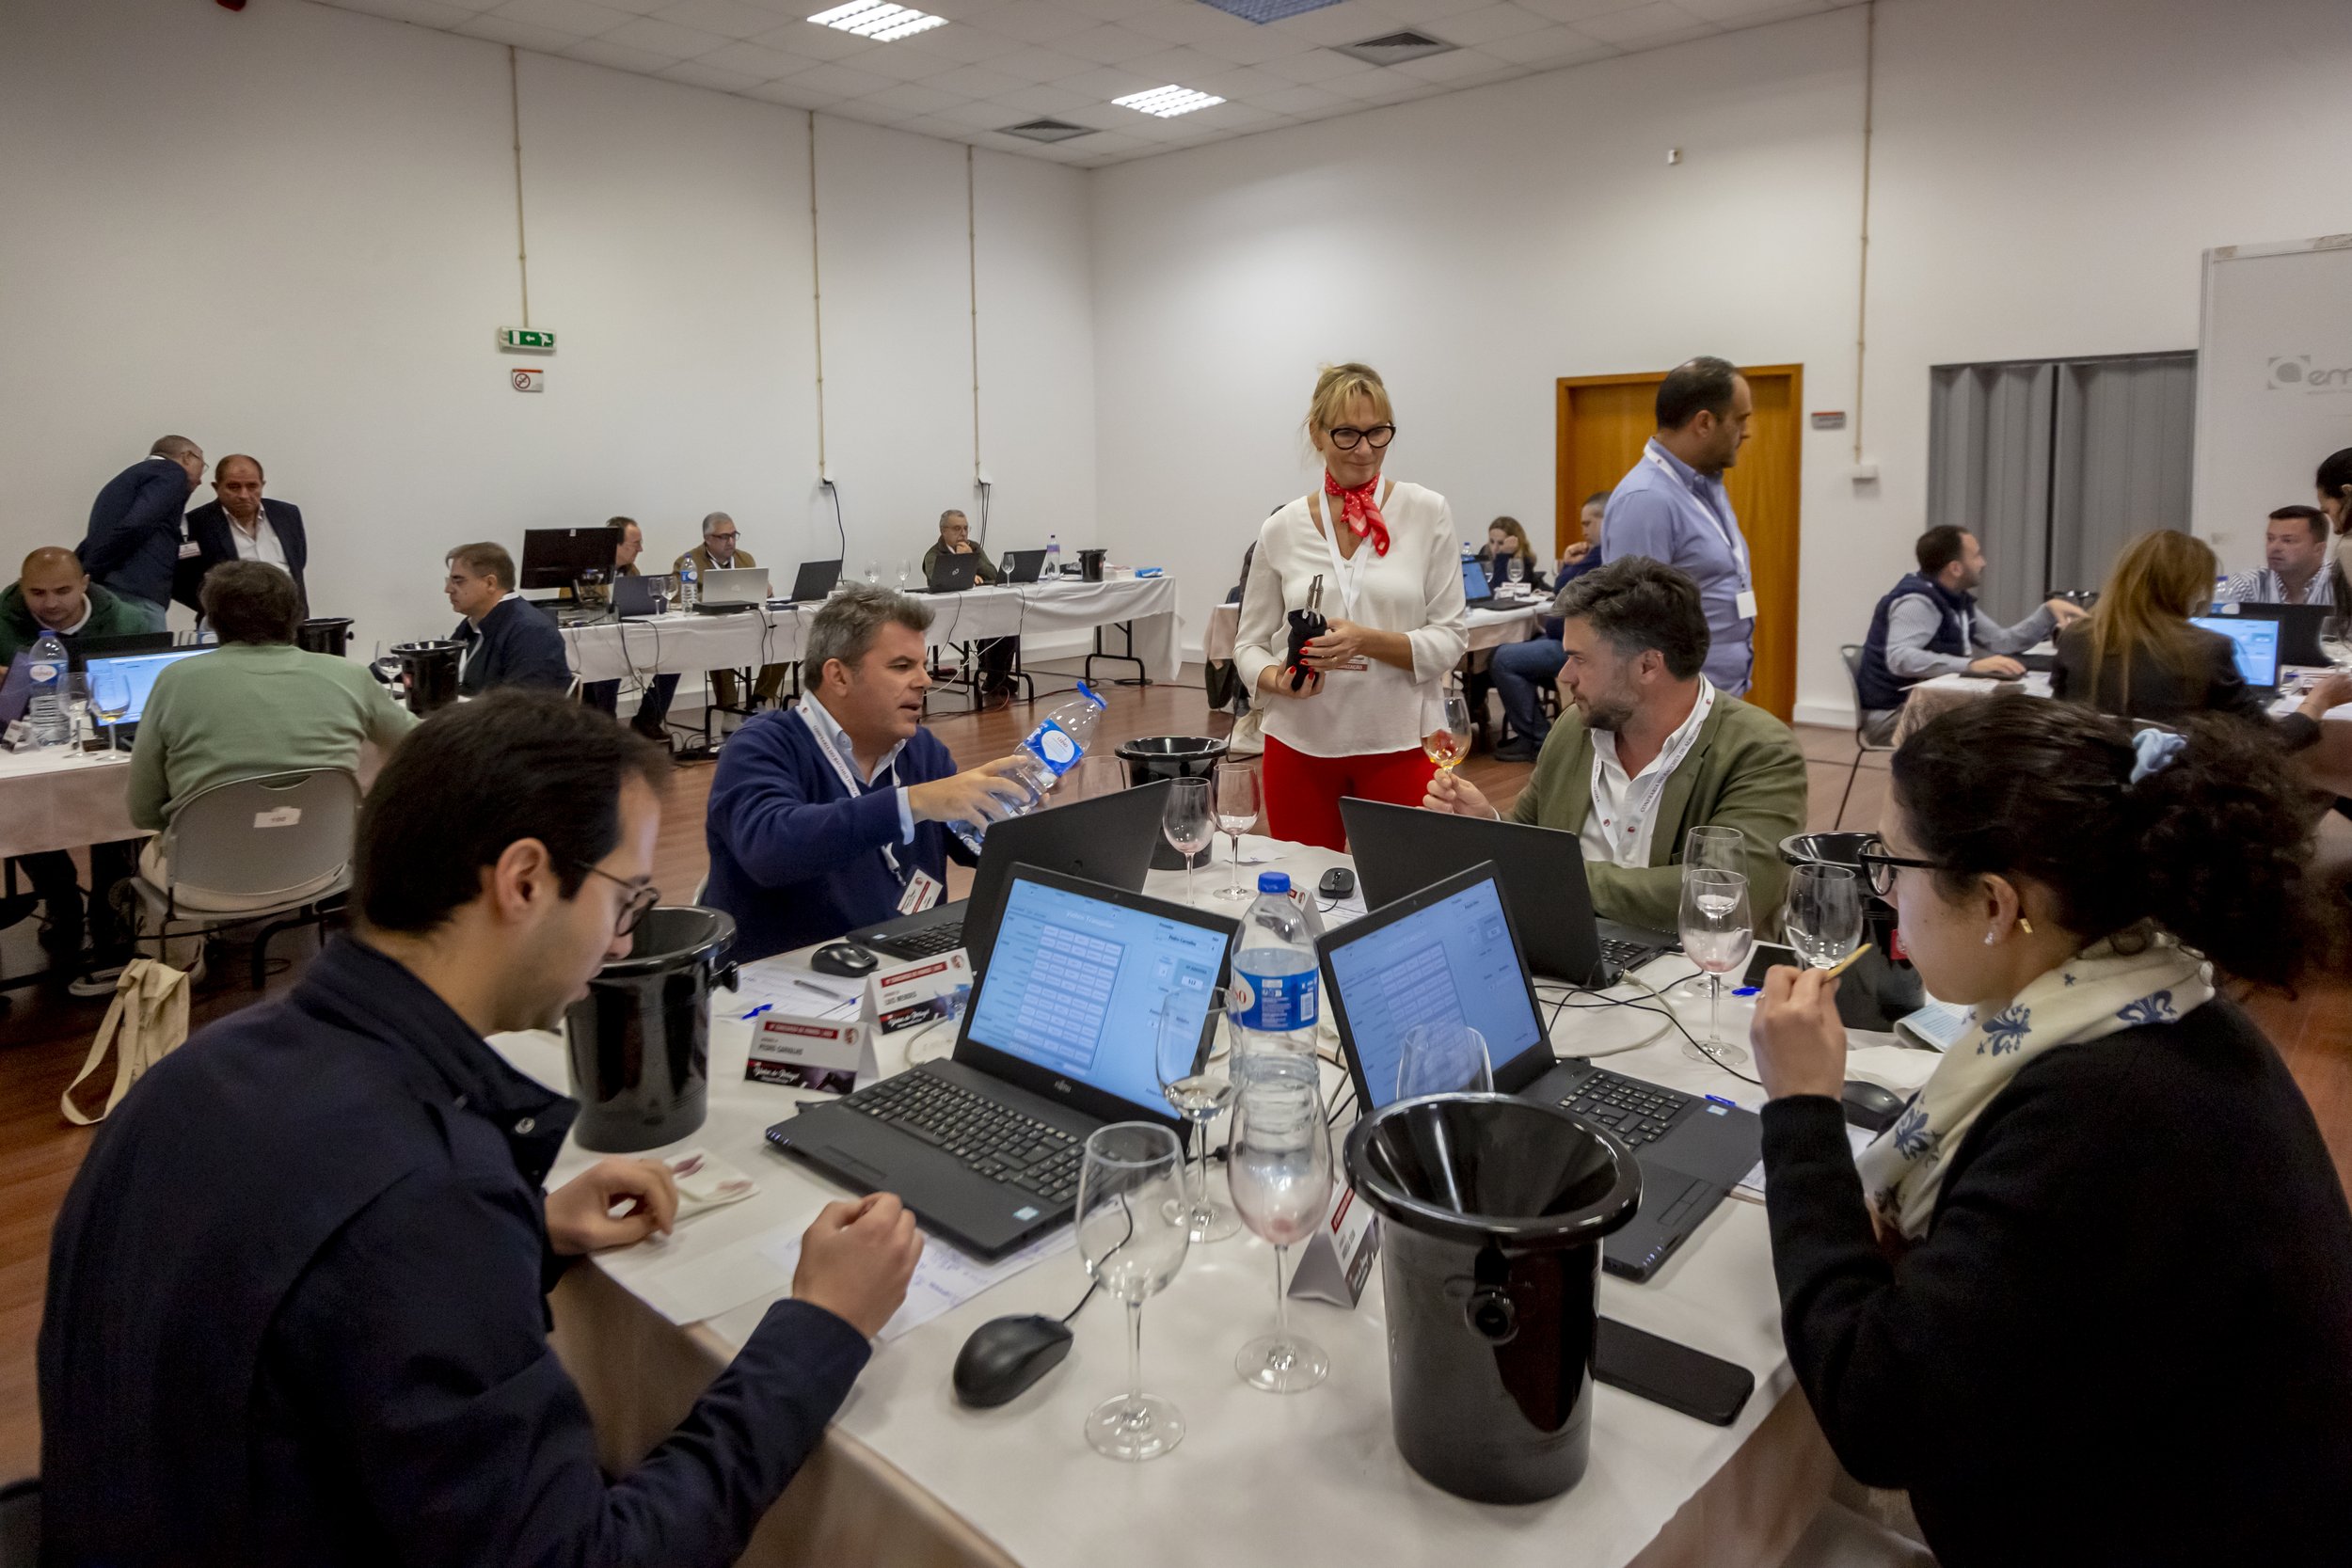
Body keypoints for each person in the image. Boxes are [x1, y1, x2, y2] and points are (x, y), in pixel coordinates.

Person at [40, 691, 925, 1566]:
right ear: (525, 880)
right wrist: (820, 1327)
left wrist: (525, 1230)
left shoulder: (196, 1076)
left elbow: (304, 1309)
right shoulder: (423, 1195)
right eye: (626, 899)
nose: (622, 942)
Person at [1746, 699, 2352, 1565]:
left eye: (1894, 863)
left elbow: (1876, 1414)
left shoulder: (2106, 1115)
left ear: (1996, 902)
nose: (1883, 892)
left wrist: (1802, 1111)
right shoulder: (2157, 1004)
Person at [1423, 558, 1805, 935]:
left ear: (1647, 666)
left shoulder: (1759, 750)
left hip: (1697, 974)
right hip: (1570, 961)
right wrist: (1488, 824)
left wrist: (1560, 878)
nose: (1564, 675)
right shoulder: (1575, 729)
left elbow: (1730, 893)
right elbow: (1528, 836)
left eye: (1579, 659)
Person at [705, 584, 1031, 962]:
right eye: (902, 666)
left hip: (907, 967)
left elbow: (984, 849)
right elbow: (769, 848)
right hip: (789, 988)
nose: (924, 680)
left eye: (922, 665)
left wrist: (1020, 807)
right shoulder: (762, 746)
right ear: (839, 677)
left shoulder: (922, 751)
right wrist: (914, 802)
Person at [123, 562, 417, 967]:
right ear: (297, 616)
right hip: (323, 870)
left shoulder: (176, 681)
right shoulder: (350, 676)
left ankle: (176, 975)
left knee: (149, 853)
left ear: (212, 620)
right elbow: (420, 743)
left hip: (200, 882)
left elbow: (142, 809)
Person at [1233, 362, 1469, 850]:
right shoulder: (1282, 527)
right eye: (1346, 434)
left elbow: (1450, 637)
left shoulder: (1427, 512)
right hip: (1299, 743)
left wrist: (1367, 641)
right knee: (1302, 893)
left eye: (1378, 433)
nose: (1365, 450)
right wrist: (1277, 679)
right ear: (1317, 435)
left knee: (1402, 893)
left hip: (1400, 739)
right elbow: (1250, 643)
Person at [1, 547, 154, 991]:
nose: (50, 603)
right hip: (21, 739)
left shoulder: (128, 620)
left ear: (85, 583)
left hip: (106, 733)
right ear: (21, 588)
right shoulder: (0, 620)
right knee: (23, 802)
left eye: (63, 590)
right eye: (37, 592)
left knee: (120, 796)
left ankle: (110, 906)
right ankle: (60, 896)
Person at [2052, 529, 2351, 736]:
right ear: (2190, 588)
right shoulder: (2206, 648)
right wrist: (2319, 701)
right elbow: (2269, 742)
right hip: (2181, 802)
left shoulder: (2075, 637)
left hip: (2091, 792)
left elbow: (2059, 722)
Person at [1598, 357, 1756, 696]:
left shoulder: (1706, 485)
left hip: (1719, 700)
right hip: (1678, 714)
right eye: (1740, 420)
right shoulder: (1646, 499)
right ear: (1704, 423)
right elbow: (1635, 625)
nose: (1747, 431)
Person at [1854, 525, 2087, 744]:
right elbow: (1900, 658)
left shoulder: (1955, 599)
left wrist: (2047, 612)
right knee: (2003, 729)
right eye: (1976, 556)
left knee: (2008, 722)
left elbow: (2002, 642)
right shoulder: (1917, 602)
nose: (1982, 563)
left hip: (1925, 706)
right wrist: (1972, 665)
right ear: (1955, 568)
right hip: (1892, 715)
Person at [1489, 492, 1609, 759]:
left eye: (1588, 523)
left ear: (1606, 520)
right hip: (1561, 640)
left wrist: (1567, 565)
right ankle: (1536, 735)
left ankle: (1537, 741)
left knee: (1503, 659)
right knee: (1508, 651)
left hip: (1574, 647)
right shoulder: (1598, 552)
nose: (1583, 530)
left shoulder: (1603, 553)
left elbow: (1563, 592)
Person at [77, 435, 203, 631]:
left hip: (107, 589)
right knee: (149, 658)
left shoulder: (124, 481)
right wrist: (94, 567)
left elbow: (98, 537)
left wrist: (86, 569)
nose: (201, 480)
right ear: (187, 457)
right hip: (139, 591)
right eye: (202, 464)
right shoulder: (172, 472)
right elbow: (137, 524)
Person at [581, 517, 681, 740]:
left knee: (673, 661)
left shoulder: (631, 571)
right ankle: (606, 732)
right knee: (608, 668)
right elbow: (579, 612)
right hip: (595, 646)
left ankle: (648, 720)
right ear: (614, 545)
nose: (641, 549)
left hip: (629, 639)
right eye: (635, 544)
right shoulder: (584, 572)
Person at [175, 453, 310, 616]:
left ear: (262, 485)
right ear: (216, 487)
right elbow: (181, 583)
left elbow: (297, 563)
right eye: (234, 487)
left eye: (252, 486)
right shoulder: (197, 523)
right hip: (230, 625)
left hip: (289, 621)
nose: (244, 495)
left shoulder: (287, 515)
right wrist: (218, 610)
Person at [681, 511, 786, 709]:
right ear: (707, 539)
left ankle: (759, 699)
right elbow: (679, 600)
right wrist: (712, 598)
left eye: (733, 535)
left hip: (749, 626)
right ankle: (729, 708)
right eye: (723, 537)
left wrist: (767, 591)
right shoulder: (688, 561)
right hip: (713, 630)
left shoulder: (745, 559)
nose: (730, 542)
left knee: (784, 637)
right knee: (719, 640)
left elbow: (756, 598)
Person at [445, 541, 570, 695]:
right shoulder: (473, 623)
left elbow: (524, 708)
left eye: (458, 580)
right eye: (449, 581)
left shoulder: (532, 632)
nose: (448, 589)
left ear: (490, 583)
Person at [922, 508, 1018, 708]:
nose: (963, 533)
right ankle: (996, 676)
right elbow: (936, 578)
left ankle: (996, 675)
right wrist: (965, 568)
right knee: (986, 626)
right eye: (957, 528)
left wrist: (972, 558)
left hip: (980, 607)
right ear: (943, 531)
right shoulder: (933, 554)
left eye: (966, 528)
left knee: (1008, 622)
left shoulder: (973, 547)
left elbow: (992, 574)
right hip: (949, 612)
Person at [2219, 505, 2332, 607]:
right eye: (2270, 539)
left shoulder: (2343, 585)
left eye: (2288, 540)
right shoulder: (2246, 585)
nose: (2274, 547)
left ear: (2319, 549)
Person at [1475, 516, 1547, 594]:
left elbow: (1500, 589)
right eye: (1492, 541)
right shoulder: (1485, 551)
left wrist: (1504, 556)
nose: (1494, 548)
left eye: (1501, 543)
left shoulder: (1524, 560)